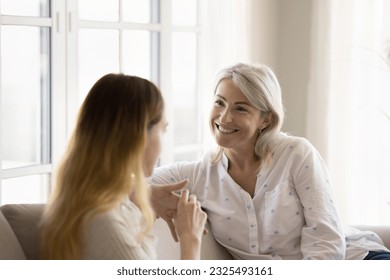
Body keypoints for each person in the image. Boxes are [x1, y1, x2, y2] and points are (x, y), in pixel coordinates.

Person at [150, 62, 390, 260]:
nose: (224, 117)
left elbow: (326, 240)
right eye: (219, 102)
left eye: (241, 109)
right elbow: (125, 182)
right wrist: (145, 194)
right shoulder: (199, 174)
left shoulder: (296, 155)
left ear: (265, 120)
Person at [40, 73, 207, 260]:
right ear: (138, 136)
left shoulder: (84, 200)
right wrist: (191, 238)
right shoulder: (104, 222)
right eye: (163, 129)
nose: (163, 142)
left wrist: (141, 194)